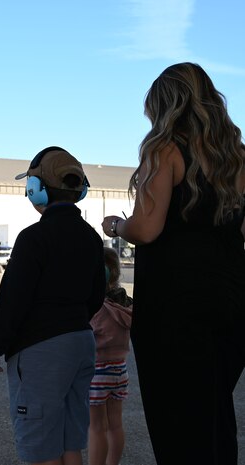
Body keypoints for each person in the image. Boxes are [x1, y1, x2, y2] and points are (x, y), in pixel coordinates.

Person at [102, 62, 245, 465]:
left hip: (176, 308)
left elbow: (146, 230)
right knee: (216, 414)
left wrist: (116, 224)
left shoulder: (164, 150)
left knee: (178, 422)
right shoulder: (237, 157)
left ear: (165, 107)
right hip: (232, 302)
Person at [0, 146, 106, 465]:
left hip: (42, 353)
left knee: (41, 448)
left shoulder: (33, 238)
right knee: (69, 442)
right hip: (80, 343)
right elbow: (97, 296)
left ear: (36, 190)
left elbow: (12, 302)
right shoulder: (92, 238)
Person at [88, 247, 133, 465]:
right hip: (119, 369)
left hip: (97, 371)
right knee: (115, 424)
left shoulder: (96, 306)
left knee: (96, 426)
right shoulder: (125, 303)